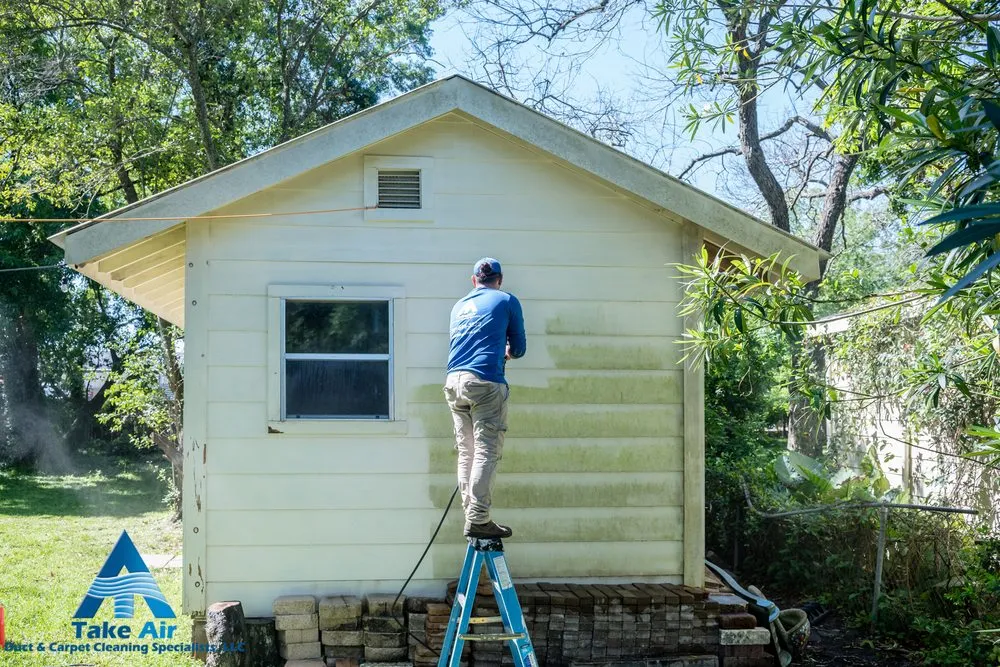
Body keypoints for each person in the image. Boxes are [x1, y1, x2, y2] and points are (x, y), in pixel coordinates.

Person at [444, 257, 526, 539]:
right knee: (486, 451)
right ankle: (479, 519)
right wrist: (506, 351)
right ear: (499, 280)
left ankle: (472, 515)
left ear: (473, 281)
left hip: (454, 382)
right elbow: (519, 348)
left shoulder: (458, 306)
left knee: (467, 452)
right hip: (485, 381)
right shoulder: (506, 300)